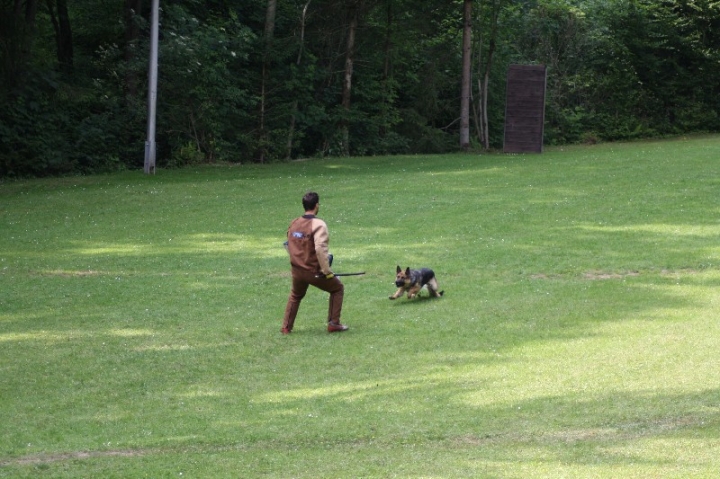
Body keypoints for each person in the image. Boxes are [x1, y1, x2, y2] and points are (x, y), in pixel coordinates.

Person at [281, 192, 349, 334]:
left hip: (297, 270)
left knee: (295, 295)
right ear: (316, 205)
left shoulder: (295, 222)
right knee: (337, 288)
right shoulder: (318, 224)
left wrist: (297, 261)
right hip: (314, 271)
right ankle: (333, 323)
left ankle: (286, 327)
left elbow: (288, 244)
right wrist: (327, 271)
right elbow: (320, 248)